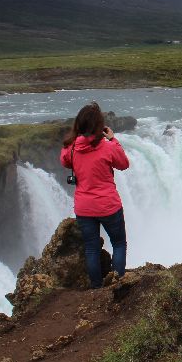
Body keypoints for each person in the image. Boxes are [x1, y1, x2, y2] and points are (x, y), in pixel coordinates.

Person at [60, 102, 130, 289]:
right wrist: (113, 139)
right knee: (118, 243)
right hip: (108, 205)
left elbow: (65, 161)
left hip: (84, 208)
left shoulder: (72, 149)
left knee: (91, 248)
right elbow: (123, 164)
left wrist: (76, 141)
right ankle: (117, 285)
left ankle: (97, 288)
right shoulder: (107, 148)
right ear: (100, 126)